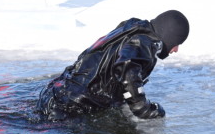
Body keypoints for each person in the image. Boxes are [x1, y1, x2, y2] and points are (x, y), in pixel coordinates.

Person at [37, 10, 189, 121]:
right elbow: (126, 66)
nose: (175, 50)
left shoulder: (132, 27)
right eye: (177, 43)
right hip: (71, 107)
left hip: (57, 92)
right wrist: (142, 108)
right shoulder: (145, 42)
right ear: (169, 35)